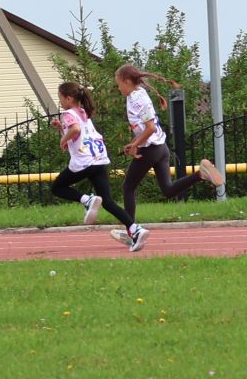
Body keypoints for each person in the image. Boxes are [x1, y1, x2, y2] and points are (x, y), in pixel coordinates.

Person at [113, 64, 224, 242]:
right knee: (168, 190)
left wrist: (136, 146)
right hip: (160, 148)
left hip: (150, 150)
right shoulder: (139, 93)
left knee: (128, 187)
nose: (118, 88)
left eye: (118, 84)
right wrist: (134, 142)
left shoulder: (136, 98)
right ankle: (200, 175)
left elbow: (149, 128)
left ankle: (132, 231)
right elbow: (147, 128)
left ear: (127, 81)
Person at [50, 80, 141, 250]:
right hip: (98, 159)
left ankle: (87, 199)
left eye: (60, 98)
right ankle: (135, 229)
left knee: (57, 187)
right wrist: (61, 129)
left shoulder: (68, 113)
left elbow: (75, 130)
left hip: (84, 161)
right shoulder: (83, 112)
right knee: (107, 201)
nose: (60, 102)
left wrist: (63, 138)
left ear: (69, 98)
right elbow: (77, 132)